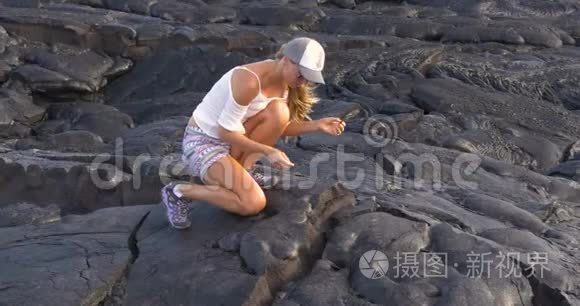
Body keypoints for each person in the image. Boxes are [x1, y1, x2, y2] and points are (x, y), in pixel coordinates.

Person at [161, 37, 346, 229]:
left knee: (280, 112)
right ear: (286, 60)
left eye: (309, 78)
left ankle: (243, 170)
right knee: (253, 203)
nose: (304, 83)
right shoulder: (248, 80)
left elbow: (279, 126)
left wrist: (317, 125)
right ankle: (179, 192)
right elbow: (225, 132)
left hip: (232, 141)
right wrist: (268, 151)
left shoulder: (285, 83)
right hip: (203, 143)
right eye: (301, 75)